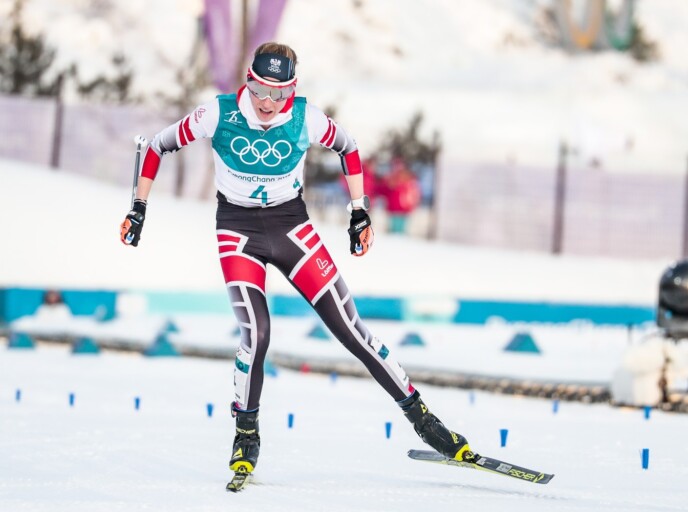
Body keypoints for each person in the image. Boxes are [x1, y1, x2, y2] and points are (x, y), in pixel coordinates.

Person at [119, 42, 474, 480]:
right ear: (248, 81)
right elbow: (156, 146)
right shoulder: (218, 112)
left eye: (279, 93)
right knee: (257, 333)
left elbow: (349, 148)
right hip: (238, 231)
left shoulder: (306, 117)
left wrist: (359, 211)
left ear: (292, 90)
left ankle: (425, 421)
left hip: (291, 227)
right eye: (259, 90)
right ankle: (246, 433)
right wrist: (139, 207)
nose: (267, 103)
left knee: (351, 330)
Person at [380, 157, 421, 233]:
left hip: (403, 210)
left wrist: (411, 206)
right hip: (394, 210)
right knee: (394, 230)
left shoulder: (409, 183)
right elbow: (384, 191)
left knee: (400, 230)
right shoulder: (391, 179)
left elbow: (413, 196)